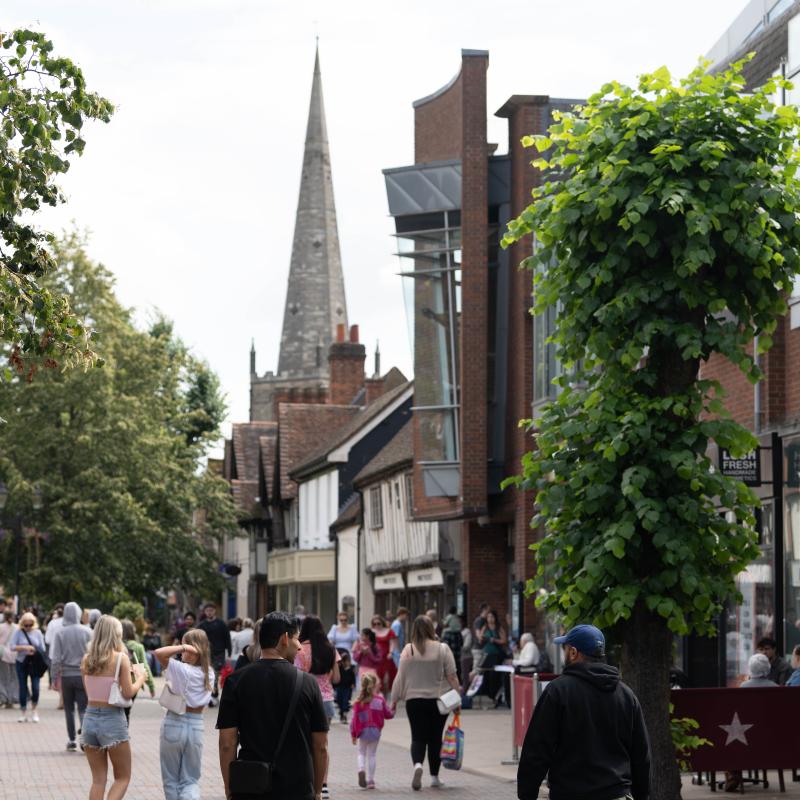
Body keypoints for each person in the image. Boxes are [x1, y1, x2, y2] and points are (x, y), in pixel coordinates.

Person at [517, 624, 651, 800]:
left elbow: (537, 750)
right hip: (616, 793)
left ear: (573, 652)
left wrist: (527, 794)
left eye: (565, 648)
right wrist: (643, 796)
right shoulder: (626, 695)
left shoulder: (557, 692)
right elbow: (641, 756)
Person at [217, 611, 329, 800]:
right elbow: (320, 745)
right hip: (297, 787)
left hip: (250, 786)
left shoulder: (235, 681)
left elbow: (227, 743)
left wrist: (230, 788)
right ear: (284, 639)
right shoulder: (307, 683)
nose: (300, 646)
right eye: (296, 639)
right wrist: (317, 791)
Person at [390, 615, 461, 790]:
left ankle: (417, 765)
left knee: (418, 736)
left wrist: (394, 700)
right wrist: (457, 700)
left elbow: (400, 677)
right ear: (432, 629)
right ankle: (435, 777)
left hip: (414, 701)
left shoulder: (408, 650)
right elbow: (452, 676)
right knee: (435, 738)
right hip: (437, 701)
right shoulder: (442, 649)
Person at [80, 615, 147, 800]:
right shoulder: (121, 659)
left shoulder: (86, 660)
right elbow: (127, 692)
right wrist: (141, 677)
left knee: (98, 780)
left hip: (90, 719)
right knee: (122, 777)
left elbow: (90, 694)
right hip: (112, 720)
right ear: (116, 634)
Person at [155, 628, 215, 800]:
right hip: (196, 725)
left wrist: (183, 648)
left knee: (171, 779)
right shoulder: (209, 673)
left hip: (174, 721)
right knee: (191, 780)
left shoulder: (180, 669)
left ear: (191, 648)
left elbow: (159, 653)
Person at [295, 615, 341, 799]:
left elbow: (297, 675)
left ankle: (307, 781)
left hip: (306, 699)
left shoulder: (300, 650)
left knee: (305, 743)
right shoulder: (330, 649)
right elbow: (337, 678)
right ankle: (323, 784)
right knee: (322, 745)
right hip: (327, 700)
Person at [50, 601, 92, 751]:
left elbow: (55, 659)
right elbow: (92, 655)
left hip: (66, 675)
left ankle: (71, 739)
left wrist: (54, 678)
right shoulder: (88, 632)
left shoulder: (60, 632)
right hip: (83, 675)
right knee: (83, 708)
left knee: (69, 709)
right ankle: (84, 739)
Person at [350, 672, 394, 790]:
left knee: (361, 753)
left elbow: (354, 720)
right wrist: (393, 708)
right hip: (375, 732)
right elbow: (388, 714)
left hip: (362, 731)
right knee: (372, 754)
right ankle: (370, 781)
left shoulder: (359, 702)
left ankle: (361, 770)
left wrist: (353, 734)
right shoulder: (380, 700)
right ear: (374, 685)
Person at [10, 611, 46, 722]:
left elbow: (43, 648)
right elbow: (12, 647)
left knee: (36, 687)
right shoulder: (18, 632)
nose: (28, 627)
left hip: (34, 662)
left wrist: (34, 649)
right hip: (22, 662)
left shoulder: (38, 632)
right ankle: (23, 712)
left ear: (34, 624)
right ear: (22, 624)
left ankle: (34, 710)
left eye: (30, 625)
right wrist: (25, 648)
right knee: (22, 687)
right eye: (26, 625)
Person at [197, 602, 231, 705]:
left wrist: (229, 652)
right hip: (206, 653)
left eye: (211, 610)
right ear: (205, 612)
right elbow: (197, 639)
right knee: (207, 674)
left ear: (215, 611)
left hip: (219, 653)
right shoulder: (201, 625)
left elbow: (227, 638)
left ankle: (214, 696)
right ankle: (209, 695)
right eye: (207, 611)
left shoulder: (221, 624)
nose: (209, 612)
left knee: (215, 674)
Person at [121, 618, 155, 714]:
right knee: (126, 713)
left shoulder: (114, 645)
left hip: (115, 683)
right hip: (132, 684)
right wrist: (151, 686)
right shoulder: (137, 647)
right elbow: (143, 668)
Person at [478, 609, 508, 704]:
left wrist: (494, 640)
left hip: (495, 655)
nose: (490, 619)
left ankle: (495, 696)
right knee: (486, 674)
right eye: (488, 617)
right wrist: (483, 638)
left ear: (495, 618)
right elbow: (480, 639)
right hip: (486, 654)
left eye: (492, 617)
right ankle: (488, 695)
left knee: (494, 676)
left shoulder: (498, 628)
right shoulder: (485, 627)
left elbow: (504, 640)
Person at [371, 615, 398, 693]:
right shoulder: (371, 632)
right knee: (376, 681)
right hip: (375, 659)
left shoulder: (389, 631)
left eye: (378, 623)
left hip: (386, 658)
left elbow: (393, 643)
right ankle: (378, 699)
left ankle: (386, 699)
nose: (376, 625)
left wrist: (391, 652)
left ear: (382, 623)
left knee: (386, 681)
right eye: (374, 624)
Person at [0, 608, 18, 707]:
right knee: (13, 678)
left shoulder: (0, 627)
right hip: (15, 654)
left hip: (2, 654)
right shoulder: (17, 627)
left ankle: (3, 698)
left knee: (2, 677)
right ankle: (12, 699)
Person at [335, 651, 356, 724]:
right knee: (339, 700)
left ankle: (344, 714)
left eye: (347, 661)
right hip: (340, 687)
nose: (346, 662)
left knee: (346, 700)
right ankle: (341, 713)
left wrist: (353, 684)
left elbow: (353, 677)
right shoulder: (340, 668)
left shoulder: (350, 669)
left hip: (347, 688)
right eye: (344, 661)